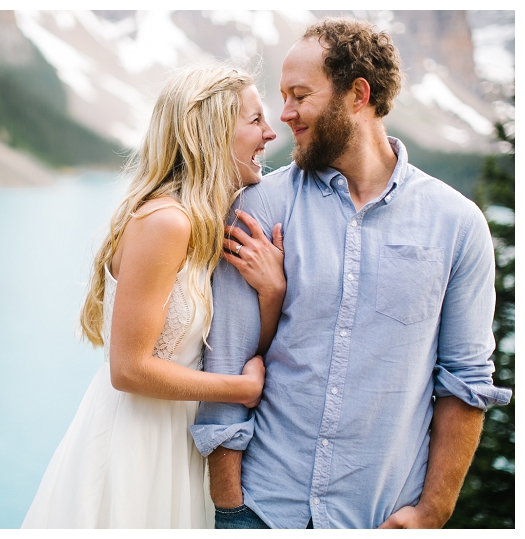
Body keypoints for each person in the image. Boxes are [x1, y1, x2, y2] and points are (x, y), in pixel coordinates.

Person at [191, 17, 512, 529]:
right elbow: (225, 363)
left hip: (379, 519)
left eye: (300, 95)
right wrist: (230, 507)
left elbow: (466, 381)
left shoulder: (458, 224)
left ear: (357, 94)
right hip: (262, 510)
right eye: (283, 96)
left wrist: (434, 511)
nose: (285, 114)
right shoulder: (259, 209)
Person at [21, 66, 284, 528]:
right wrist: (239, 390)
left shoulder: (206, 223)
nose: (270, 133)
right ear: (214, 129)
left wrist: (272, 290)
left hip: (179, 440)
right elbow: (128, 369)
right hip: (135, 442)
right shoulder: (167, 222)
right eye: (255, 120)